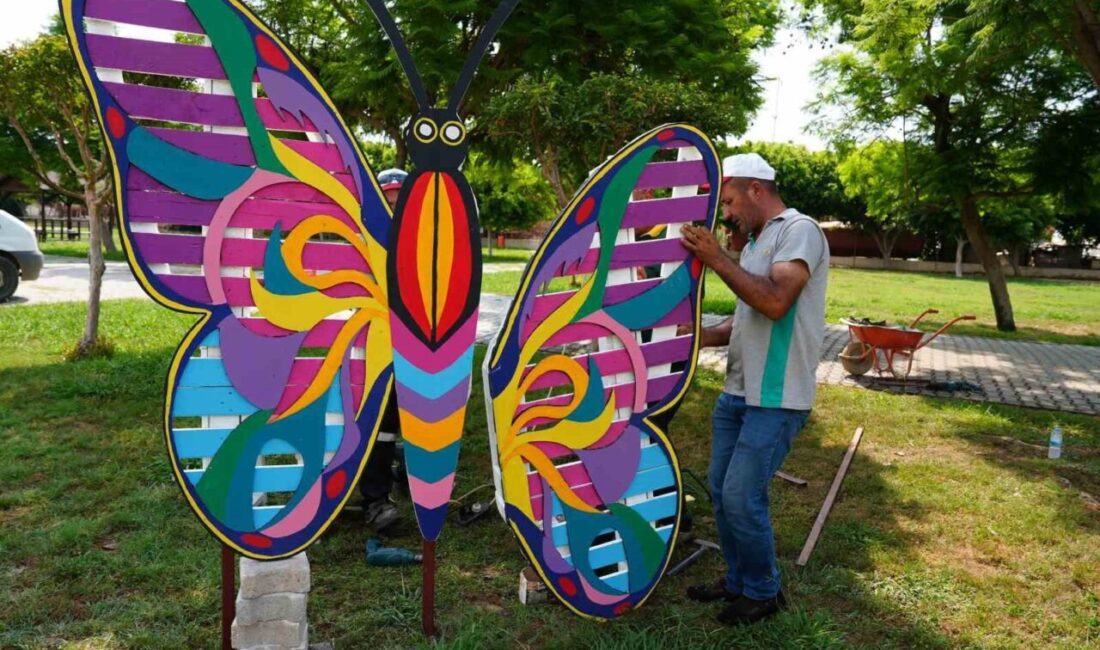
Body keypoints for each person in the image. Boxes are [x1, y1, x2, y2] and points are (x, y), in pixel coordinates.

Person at [679, 153, 830, 626]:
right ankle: (739, 579)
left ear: (755, 190)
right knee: (723, 492)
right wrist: (688, 336)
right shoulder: (756, 243)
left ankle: (765, 591)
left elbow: (775, 301)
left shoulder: (798, 229)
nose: (724, 213)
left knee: (744, 495)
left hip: (777, 395)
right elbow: (742, 319)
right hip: (739, 392)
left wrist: (716, 257)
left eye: (728, 201)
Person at [359, 168, 409, 531]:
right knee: (382, 420)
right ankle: (375, 499)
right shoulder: (363, 242)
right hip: (377, 341)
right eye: (388, 204)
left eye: (401, 204)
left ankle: (416, 481)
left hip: (423, 342)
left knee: (424, 416)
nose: (395, 212)